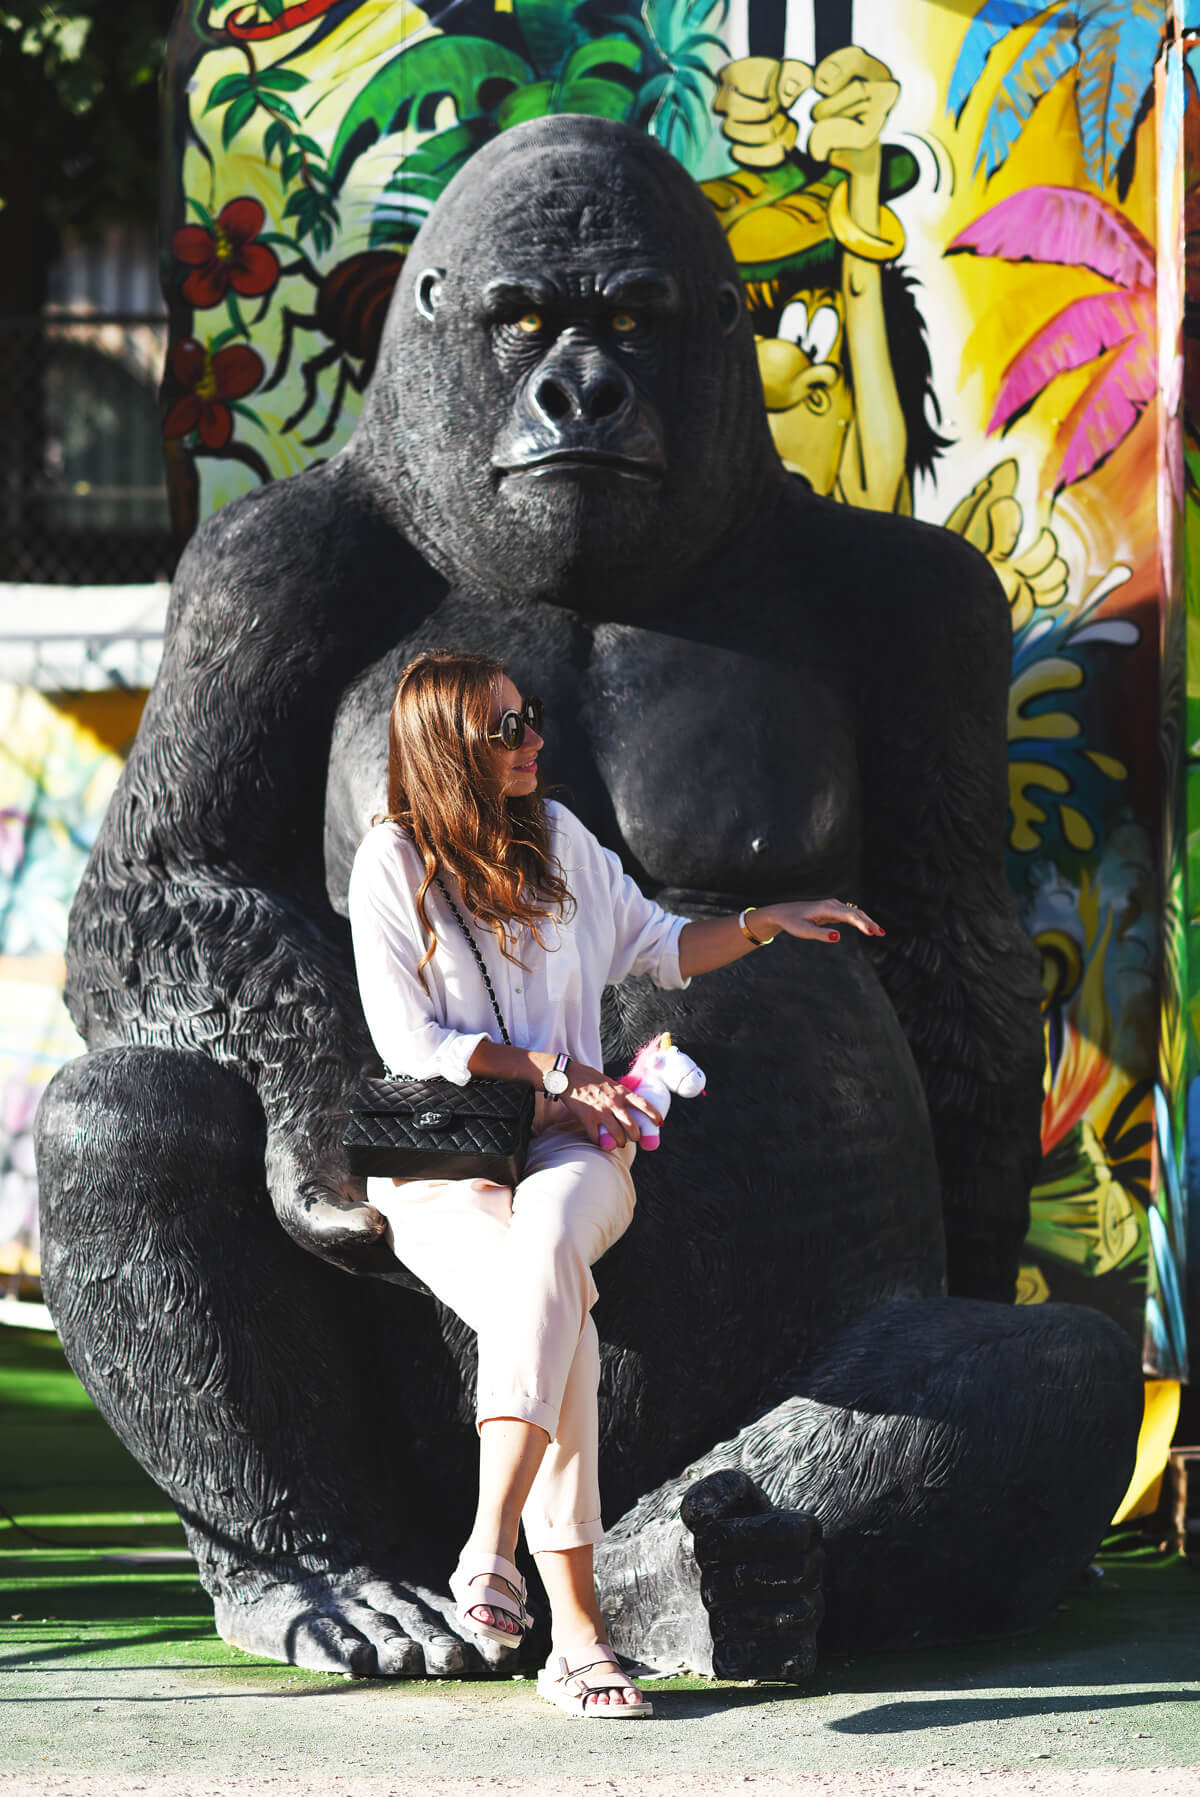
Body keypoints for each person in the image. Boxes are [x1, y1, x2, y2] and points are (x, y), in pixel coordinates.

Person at [346, 649, 883, 1718]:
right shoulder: (393, 864)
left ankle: (490, 1546)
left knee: (551, 1241)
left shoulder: (560, 843)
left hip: (579, 1153)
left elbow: (662, 945)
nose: (533, 739)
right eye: (506, 728)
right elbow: (409, 1043)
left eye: (528, 717)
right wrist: (547, 1070)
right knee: (561, 1323)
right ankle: (578, 1639)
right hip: (445, 1169)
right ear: (449, 748)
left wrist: (769, 920)